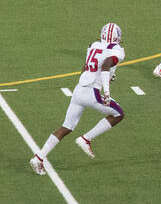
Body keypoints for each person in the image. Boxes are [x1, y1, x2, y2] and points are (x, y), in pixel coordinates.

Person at [30, 23, 125, 174]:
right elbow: (106, 65)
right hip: (92, 93)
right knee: (118, 114)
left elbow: (87, 67)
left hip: (79, 89)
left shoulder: (93, 45)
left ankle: (38, 158)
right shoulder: (117, 50)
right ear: (117, 37)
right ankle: (86, 139)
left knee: (66, 127)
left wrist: (96, 79)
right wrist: (106, 91)